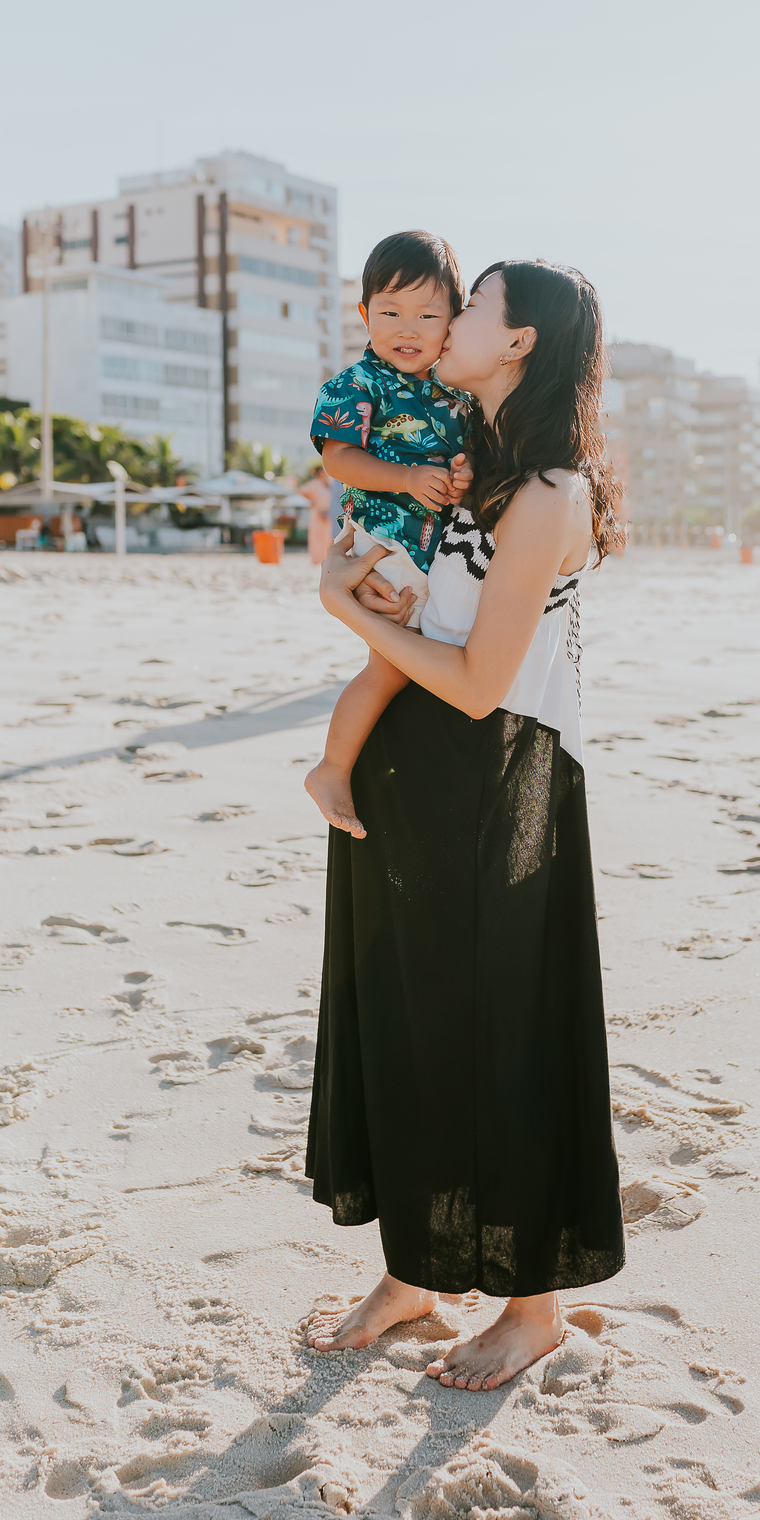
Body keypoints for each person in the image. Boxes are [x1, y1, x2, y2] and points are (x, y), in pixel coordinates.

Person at [304, 259, 627, 1392]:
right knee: (407, 1029)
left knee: (506, 1037)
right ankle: (416, 1271)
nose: (450, 320)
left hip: (498, 779)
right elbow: (436, 618)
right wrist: (375, 594)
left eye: (476, 305)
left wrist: (344, 608)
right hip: (410, 785)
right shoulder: (466, 464)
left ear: (522, 340)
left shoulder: (548, 488)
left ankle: (531, 1304)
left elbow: (483, 684)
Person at [305, 231, 473, 837]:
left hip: (443, 549)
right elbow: (339, 460)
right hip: (387, 543)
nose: (408, 327)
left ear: (453, 318)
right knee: (391, 667)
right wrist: (405, 477)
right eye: (390, 312)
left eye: (428, 314)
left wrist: (463, 474)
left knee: (438, 660)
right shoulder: (358, 384)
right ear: (364, 314)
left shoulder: (460, 393)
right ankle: (333, 767)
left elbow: (466, 462)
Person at [297, 462, 334, 566]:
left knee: (328, 535)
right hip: (317, 512)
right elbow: (300, 490)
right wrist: (312, 500)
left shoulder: (329, 483)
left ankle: (326, 557)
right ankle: (317, 558)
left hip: (329, 513)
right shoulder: (314, 483)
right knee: (317, 535)